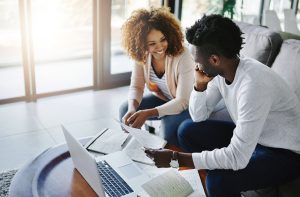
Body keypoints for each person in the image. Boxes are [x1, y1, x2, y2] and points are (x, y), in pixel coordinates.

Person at [145, 14, 300, 196]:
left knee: (218, 180)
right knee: (187, 130)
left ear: (215, 60)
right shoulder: (224, 71)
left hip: (285, 154)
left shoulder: (253, 85)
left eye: (197, 59)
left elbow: (237, 157)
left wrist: (176, 159)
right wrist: (199, 86)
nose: (195, 65)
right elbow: (198, 116)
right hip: (256, 139)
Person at [119, 7, 194, 146]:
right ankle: (134, 149)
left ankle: (165, 160)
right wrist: (132, 108)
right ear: (141, 45)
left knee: (168, 129)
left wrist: (148, 113)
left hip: (188, 106)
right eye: (152, 44)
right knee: (125, 110)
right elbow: (136, 86)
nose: (160, 47)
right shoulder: (142, 56)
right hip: (165, 99)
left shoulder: (183, 56)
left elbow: (183, 100)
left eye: (163, 39)